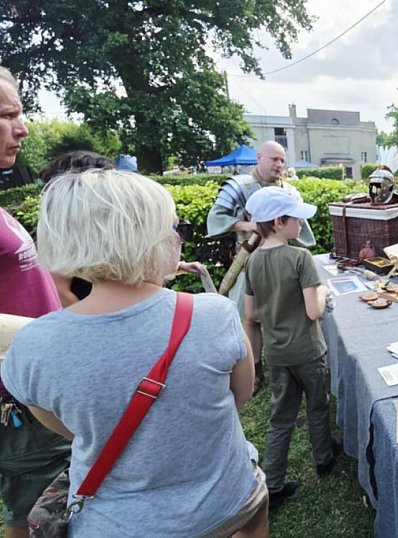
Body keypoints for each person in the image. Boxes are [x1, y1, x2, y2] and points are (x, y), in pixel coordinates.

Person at [2, 169, 268, 537]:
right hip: (228, 502)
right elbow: (240, 395)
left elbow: (69, 430)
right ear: (150, 237)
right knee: (257, 503)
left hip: (115, 524)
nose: (179, 238)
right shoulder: (213, 313)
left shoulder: (32, 345)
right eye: (176, 228)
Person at [0, 65, 72, 538]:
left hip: (37, 395)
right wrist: (55, 340)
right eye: (7, 115)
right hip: (22, 410)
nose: (22, 128)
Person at [242, 186, 341, 509]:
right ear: (280, 220)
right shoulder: (300, 257)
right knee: (317, 406)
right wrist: (324, 291)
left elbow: (251, 314)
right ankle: (324, 457)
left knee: (280, 418)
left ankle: (272, 483)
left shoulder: (253, 262)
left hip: (277, 354)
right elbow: (314, 311)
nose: (301, 225)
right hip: (309, 350)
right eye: (297, 219)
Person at [207, 140, 315, 387]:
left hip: (285, 261)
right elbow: (216, 219)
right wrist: (252, 225)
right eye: (274, 159)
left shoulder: (289, 190)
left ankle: (291, 366)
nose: (279, 165)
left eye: (282, 160)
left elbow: (301, 230)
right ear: (259, 158)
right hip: (251, 259)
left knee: (290, 312)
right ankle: (253, 371)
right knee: (249, 316)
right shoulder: (240, 185)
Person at [40, 150, 209, 307]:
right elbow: (61, 290)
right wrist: (87, 325)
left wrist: (177, 265)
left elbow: (119, 262)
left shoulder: (105, 221)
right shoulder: (71, 227)